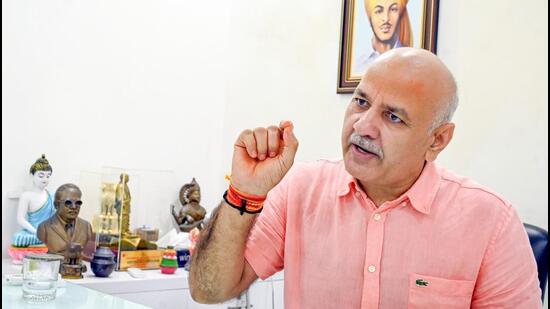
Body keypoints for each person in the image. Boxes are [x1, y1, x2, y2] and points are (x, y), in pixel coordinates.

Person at [189, 48, 542, 308]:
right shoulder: (301, 189)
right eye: (361, 102)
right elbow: (209, 290)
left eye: (393, 118)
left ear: (437, 140)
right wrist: (243, 194)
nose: (363, 126)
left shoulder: (490, 222)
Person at [354, 0, 413, 75]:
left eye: (393, 9)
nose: (386, 19)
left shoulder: (412, 62)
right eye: (379, 11)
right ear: (369, 18)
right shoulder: (358, 66)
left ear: (400, 16)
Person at [37, 184, 93, 260]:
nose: (73, 207)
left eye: (78, 203)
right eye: (68, 203)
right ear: (56, 205)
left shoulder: (86, 227)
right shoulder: (44, 228)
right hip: (54, 269)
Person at [12, 154, 56, 247]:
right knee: (18, 238)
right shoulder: (26, 196)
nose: (45, 179)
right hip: (32, 232)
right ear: (32, 176)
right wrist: (35, 232)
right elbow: (20, 219)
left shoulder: (51, 196)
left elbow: (55, 218)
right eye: (41, 176)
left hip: (48, 232)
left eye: (48, 176)